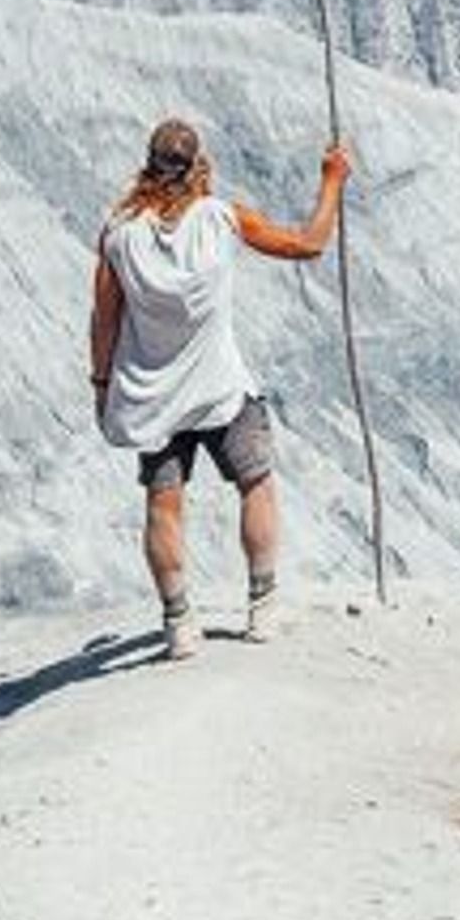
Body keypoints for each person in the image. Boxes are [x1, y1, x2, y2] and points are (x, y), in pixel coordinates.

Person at [91, 117, 351, 661]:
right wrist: (332, 180)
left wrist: (102, 384)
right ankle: (261, 607)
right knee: (255, 483)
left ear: (148, 165)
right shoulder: (219, 219)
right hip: (221, 388)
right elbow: (308, 243)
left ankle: (179, 624)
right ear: (198, 166)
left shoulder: (118, 236)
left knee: (164, 506)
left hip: (152, 396)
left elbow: (105, 321)